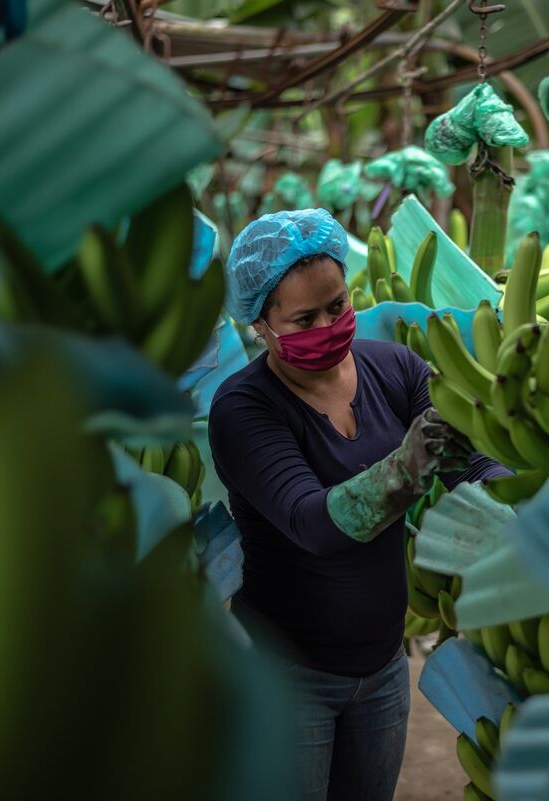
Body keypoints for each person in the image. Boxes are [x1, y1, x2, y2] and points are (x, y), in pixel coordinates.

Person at [208, 209, 507, 801]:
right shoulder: (243, 409)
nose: (328, 324)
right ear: (262, 325)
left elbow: (466, 463)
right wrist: (405, 466)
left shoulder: (394, 368)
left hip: (383, 669)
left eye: (337, 306)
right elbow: (313, 523)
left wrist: (531, 505)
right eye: (303, 319)